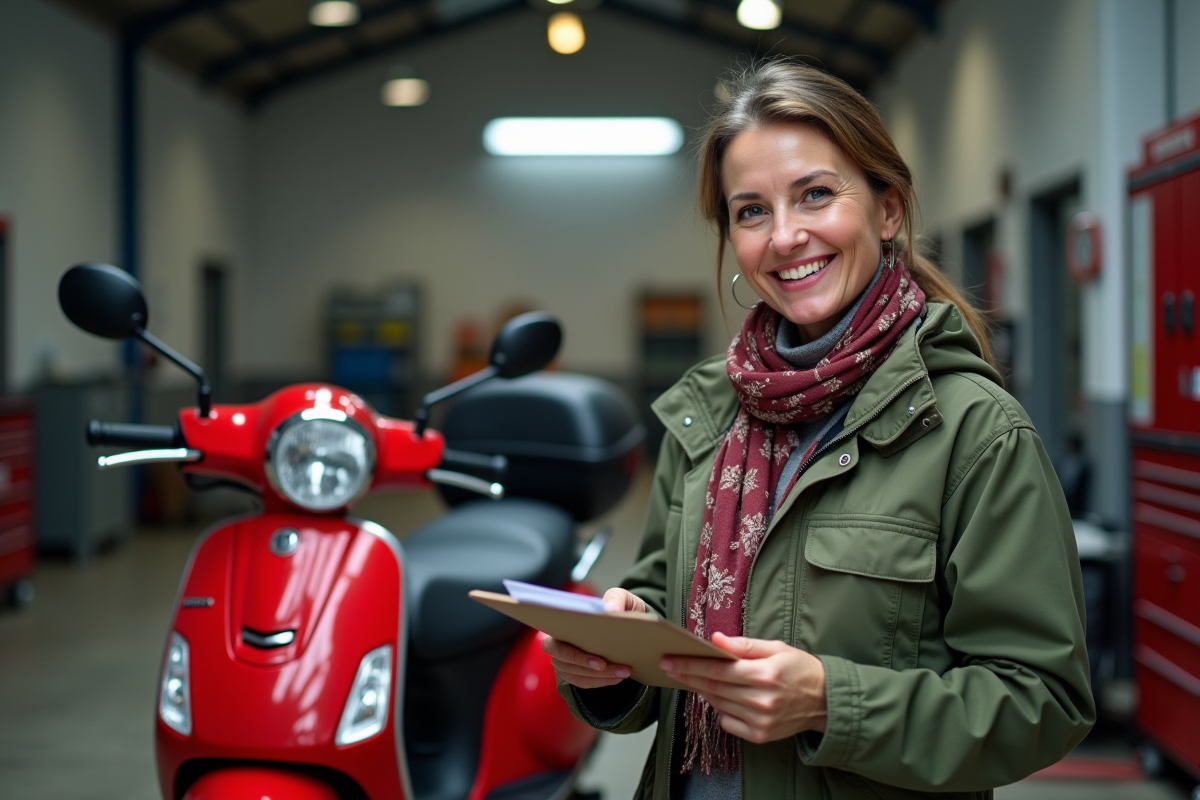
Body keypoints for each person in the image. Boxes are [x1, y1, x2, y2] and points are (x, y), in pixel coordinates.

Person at [544, 60, 1095, 799]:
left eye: (815, 195)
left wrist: (834, 703)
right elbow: (661, 618)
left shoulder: (973, 431)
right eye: (751, 211)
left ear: (887, 209)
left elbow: (1043, 702)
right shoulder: (705, 417)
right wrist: (612, 657)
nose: (785, 236)